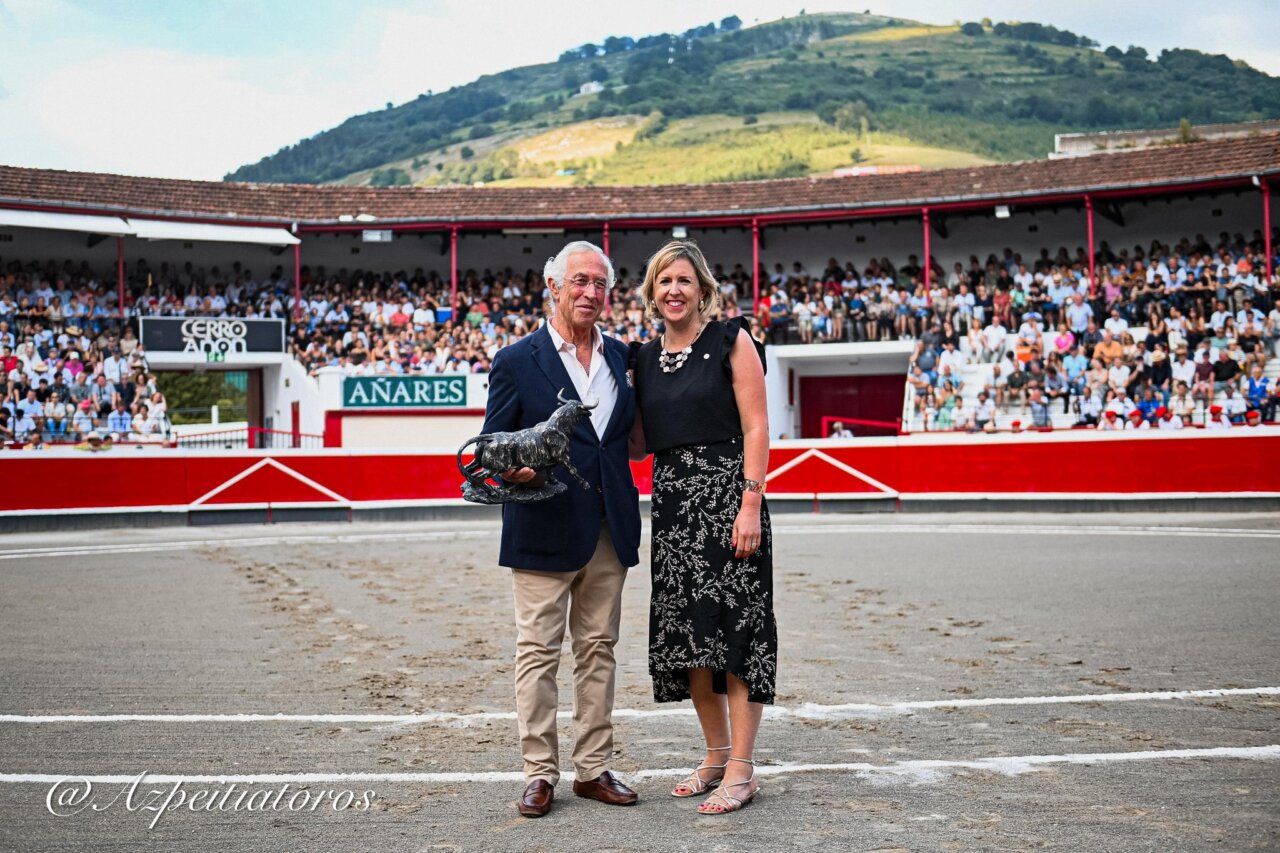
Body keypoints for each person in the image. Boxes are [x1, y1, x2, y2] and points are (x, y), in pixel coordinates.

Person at [479, 241, 642, 818]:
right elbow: (489, 447)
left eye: (600, 284)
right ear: (552, 286)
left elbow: (626, 439)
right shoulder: (516, 360)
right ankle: (538, 772)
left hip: (608, 525)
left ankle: (593, 768)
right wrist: (515, 470)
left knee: (598, 650)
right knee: (538, 653)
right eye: (579, 281)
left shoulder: (624, 357)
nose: (590, 293)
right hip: (543, 522)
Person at [630, 240, 775, 815]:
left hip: (728, 503)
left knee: (737, 636)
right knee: (692, 638)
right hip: (672, 509)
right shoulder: (641, 359)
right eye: (664, 281)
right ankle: (714, 756)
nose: (674, 291)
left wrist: (749, 503)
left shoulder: (730, 340)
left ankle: (741, 768)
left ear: (703, 289)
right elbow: (639, 442)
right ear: (650, 292)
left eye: (684, 281)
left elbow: (758, 427)